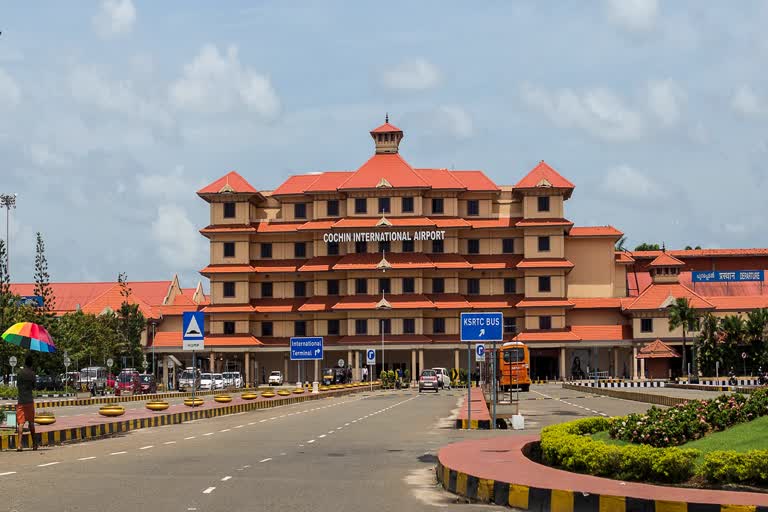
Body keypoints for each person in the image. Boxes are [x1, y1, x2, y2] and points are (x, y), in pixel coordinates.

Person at [16, 354, 38, 452]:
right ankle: (34, 445)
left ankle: (19, 445)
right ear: (31, 364)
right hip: (29, 400)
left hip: (21, 400)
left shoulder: (19, 373)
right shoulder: (32, 374)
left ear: (24, 363)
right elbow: (34, 386)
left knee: (21, 423)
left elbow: (18, 385)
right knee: (31, 423)